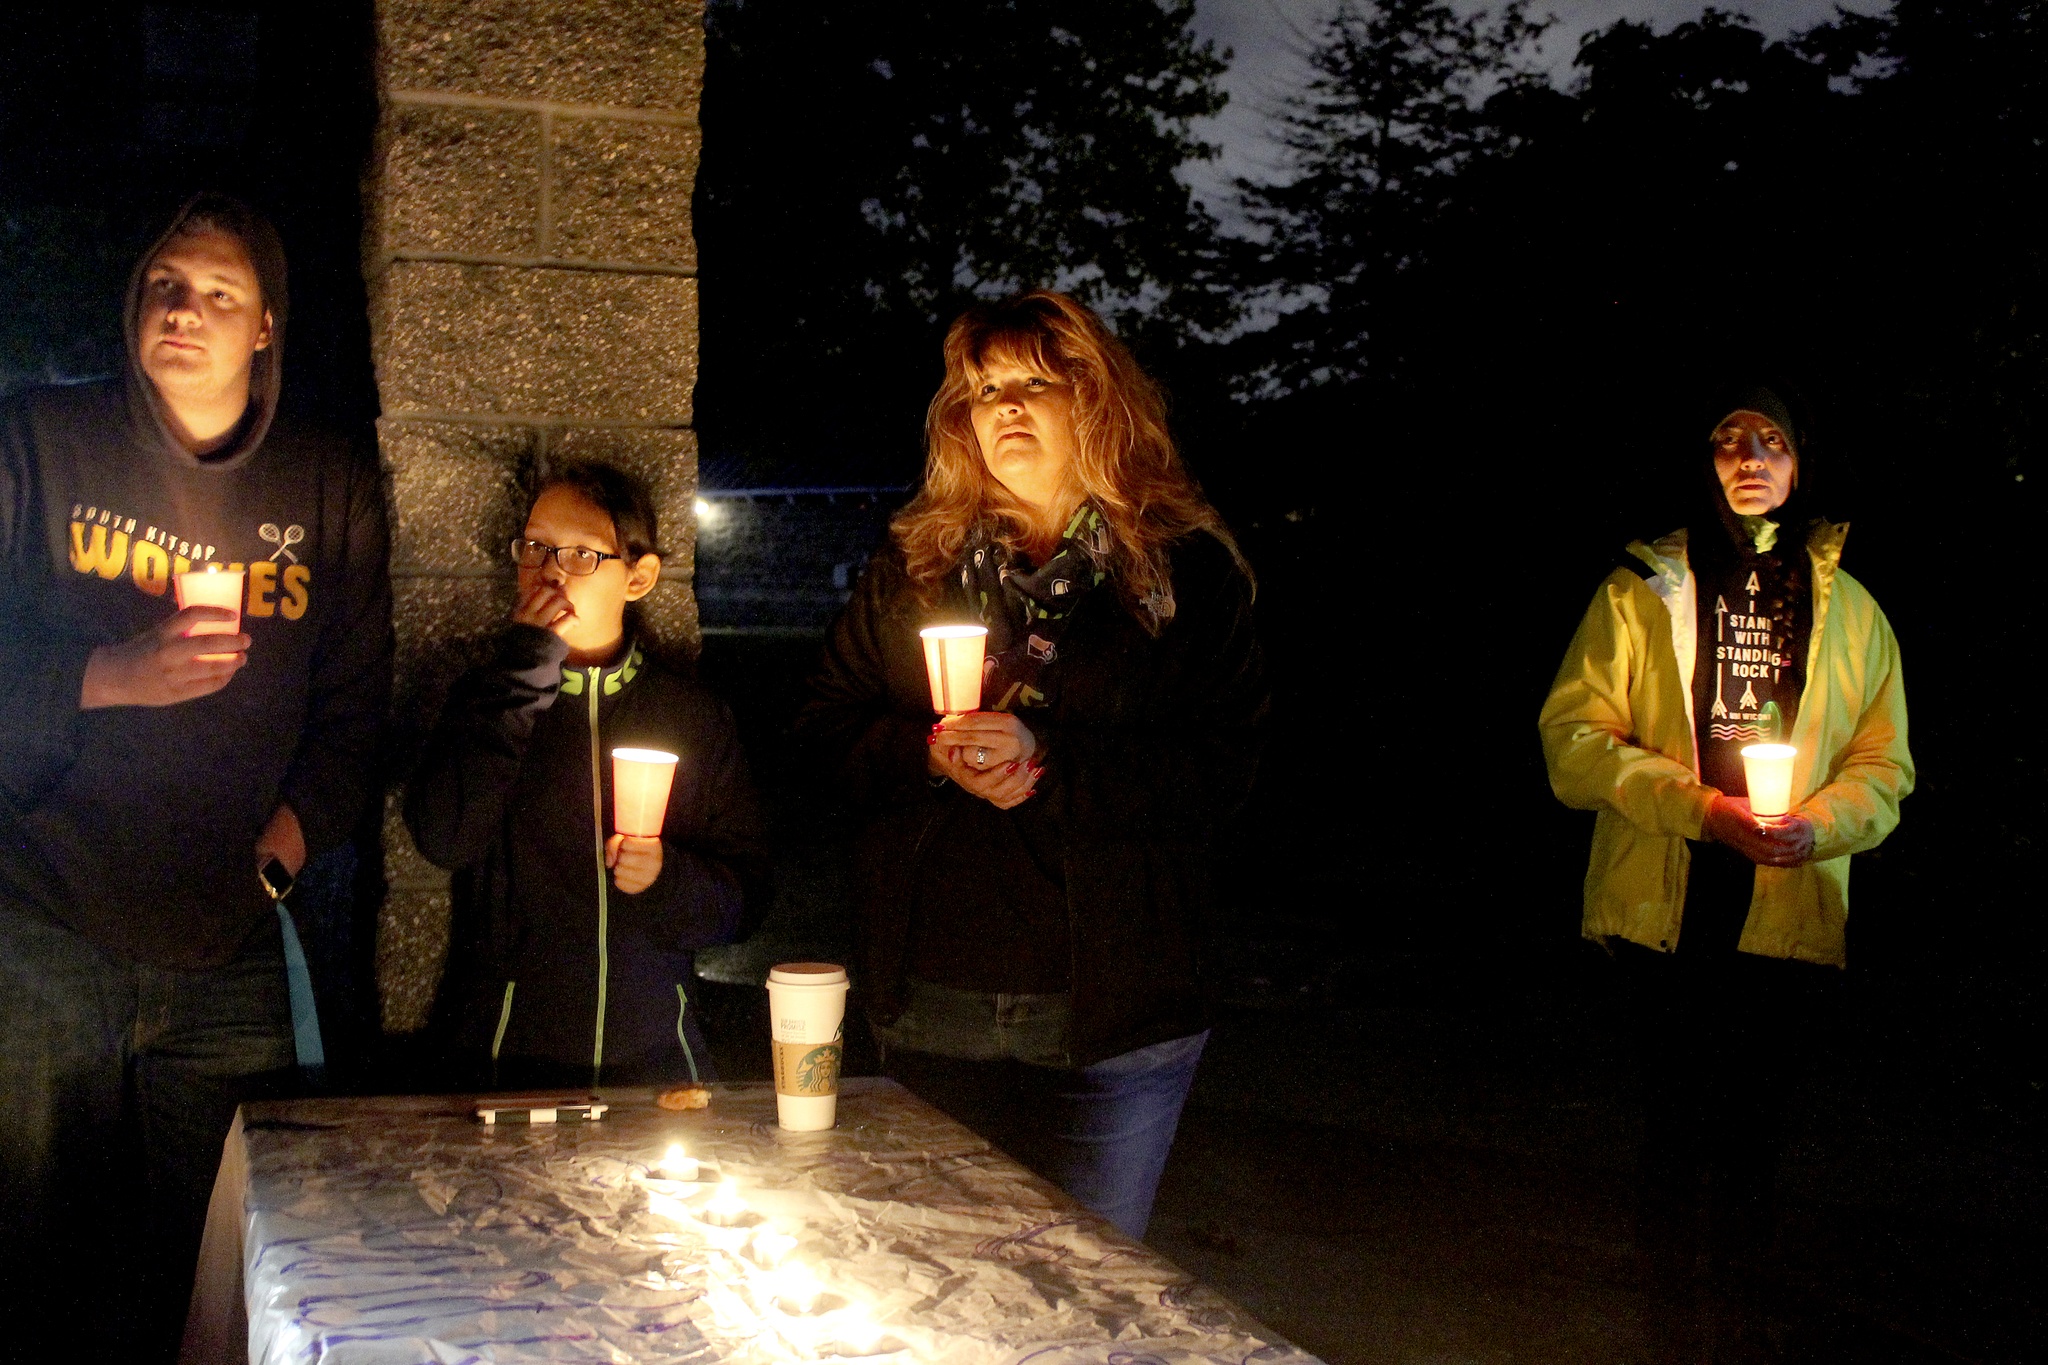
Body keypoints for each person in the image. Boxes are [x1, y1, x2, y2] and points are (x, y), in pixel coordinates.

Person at [0, 193, 392, 1361]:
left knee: (231, 1263)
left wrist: (275, 859)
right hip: (37, 924)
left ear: (265, 326)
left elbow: (353, 713)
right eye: (166, 284)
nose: (183, 311)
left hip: (226, 940)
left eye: (219, 294)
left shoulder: (325, 485)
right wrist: (110, 674)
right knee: (28, 1250)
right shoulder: (36, 442)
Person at [797, 290, 1268, 1241]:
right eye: (983, 388)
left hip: (1116, 1021)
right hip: (934, 1005)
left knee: (1084, 1302)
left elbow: (1223, 775)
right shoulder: (915, 569)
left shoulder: (1179, 578)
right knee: (934, 1296)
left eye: (1036, 383)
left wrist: (1050, 759)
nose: (1004, 406)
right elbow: (820, 739)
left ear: (1099, 402)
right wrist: (929, 754)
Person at [1538, 383, 1913, 1355]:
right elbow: (1572, 742)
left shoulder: (1853, 610)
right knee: (1670, 1128)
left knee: (1754, 1134)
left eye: (1772, 441)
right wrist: (1699, 808)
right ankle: (1668, 1322)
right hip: (1668, 903)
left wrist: (1815, 827)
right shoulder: (1641, 586)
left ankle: (1737, 1318)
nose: (1749, 456)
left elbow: (1883, 764)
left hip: (1782, 905)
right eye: (1727, 440)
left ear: (1801, 464)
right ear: (1699, 460)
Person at [406, 462, 768, 1090]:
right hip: (503, 1062)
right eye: (537, 547)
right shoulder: (487, 698)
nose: (550, 569)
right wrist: (524, 669)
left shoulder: (691, 715)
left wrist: (664, 878)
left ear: (640, 577)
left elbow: (745, 900)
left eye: (579, 554)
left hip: (657, 1064)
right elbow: (444, 838)